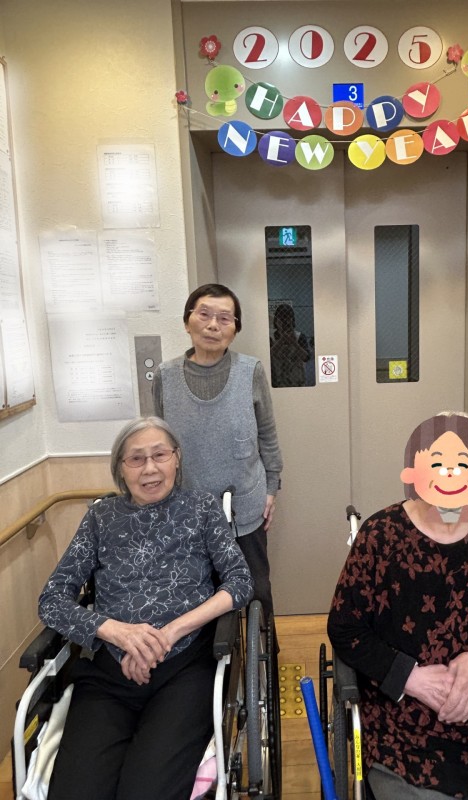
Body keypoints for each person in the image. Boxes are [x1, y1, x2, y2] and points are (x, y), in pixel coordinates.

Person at [327, 412, 468, 800]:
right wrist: (410, 678)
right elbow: (345, 628)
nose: (450, 474)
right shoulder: (380, 537)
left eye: (465, 463)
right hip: (402, 722)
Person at [38, 416, 253, 800]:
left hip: (184, 669)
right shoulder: (101, 518)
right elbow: (51, 600)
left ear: (177, 458)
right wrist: (117, 631)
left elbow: (239, 582)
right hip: (110, 674)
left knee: (147, 791)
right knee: (76, 790)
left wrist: (170, 633)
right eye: (136, 459)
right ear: (121, 468)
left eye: (160, 455)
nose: (150, 468)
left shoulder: (202, 508)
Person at [152, 283, 282, 621]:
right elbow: (157, 445)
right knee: (199, 599)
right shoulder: (165, 376)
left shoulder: (250, 371)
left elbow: (267, 434)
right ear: (187, 322)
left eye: (225, 318)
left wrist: (271, 488)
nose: (213, 325)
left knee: (257, 592)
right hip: (187, 510)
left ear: (235, 329)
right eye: (204, 315)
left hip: (245, 506)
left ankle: (265, 652)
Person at [270, 303, 311, 387]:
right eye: (282, 319)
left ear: (292, 320)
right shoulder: (271, 337)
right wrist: (281, 340)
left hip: (297, 383)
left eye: (287, 319)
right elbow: (267, 356)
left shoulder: (299, 337)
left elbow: (306, 358)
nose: (285, 322)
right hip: (278, 382)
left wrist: (294, 343)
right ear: (276, 320)